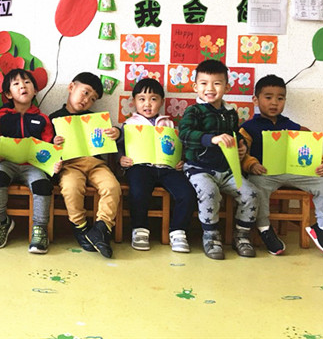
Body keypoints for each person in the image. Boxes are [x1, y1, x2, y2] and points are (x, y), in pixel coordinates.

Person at [178, 59, 258, 260]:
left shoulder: (230, 112)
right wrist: (211, 139)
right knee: (209, 192)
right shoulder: (194, 111)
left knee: (251, 193)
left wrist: (241, 146)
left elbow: (235, 134)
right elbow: (185, 134)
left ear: (227, 87)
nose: (210, 88)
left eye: (217, 83)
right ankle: (211, 235)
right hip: (199, 168)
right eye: (204, 83)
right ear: (195, 87)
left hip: (227, 169)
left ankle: (242, 235)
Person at [240, 74, 323, 255]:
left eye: (280, 98)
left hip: (295, 173)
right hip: (264, 174)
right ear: (255, 100)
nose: (274, 103)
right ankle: (264, 228)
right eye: (268, 97)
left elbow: (311, 148)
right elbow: (241, 154)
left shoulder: (294, 127)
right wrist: (251, 164)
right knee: (256, 186)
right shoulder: (248, 128)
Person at [119, 78, 196, 253]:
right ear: (134, 102)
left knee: (187, 192)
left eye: (153, 99)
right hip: (140, 167)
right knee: (138, 191)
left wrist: (180, 160)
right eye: (142, 99)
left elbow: (177, 145)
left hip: (166, 168)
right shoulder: (129, 124)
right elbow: (119, 146)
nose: (147, 104)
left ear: (161, 102)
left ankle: (178, 231)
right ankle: (139, 229)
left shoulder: (169, 124)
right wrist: (121, 159)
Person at [49, 72, 121, 258]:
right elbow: (45, 150)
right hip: (70, 165)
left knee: (112, 186)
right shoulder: (55, 118)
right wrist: (53, 142)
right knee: (71, 187)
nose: (87, 100)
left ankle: (102, 227)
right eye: (85, 92)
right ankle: (80, 226)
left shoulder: (95, 119)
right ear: (71, 87)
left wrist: (116, 132)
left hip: (96, 164)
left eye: (93, 98)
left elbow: (113, 136)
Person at [0, 68, 54, 254]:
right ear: (8, 94)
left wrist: (52, 160)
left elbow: (48, 146)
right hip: (6, 163)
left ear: (35, 90)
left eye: (27, 82)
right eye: (16, 84)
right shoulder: (0, 117)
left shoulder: (43, 119)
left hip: (33, 166)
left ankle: (40, 228)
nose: (22, 86)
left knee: (42, 184)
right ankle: (1, 221)